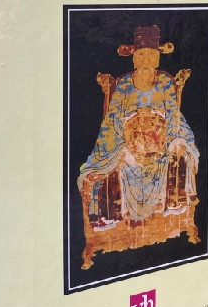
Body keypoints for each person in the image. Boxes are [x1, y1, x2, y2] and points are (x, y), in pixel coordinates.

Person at [78, 25, 199, 226]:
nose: (146, 61)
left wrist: (172, 139)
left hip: (160, 143)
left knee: (181, 150)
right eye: (141, 55)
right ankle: (113, 215)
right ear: (134, 58)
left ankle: (173, 205)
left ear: (157, 58)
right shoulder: (125, 83)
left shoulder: (165, 82)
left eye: (151, 55)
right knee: (114, 163)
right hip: (129, 142)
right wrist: (128, 137)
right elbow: (113, 117)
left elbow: (173, 115)